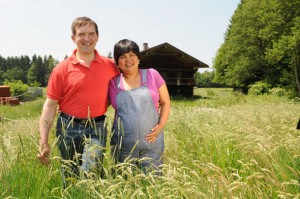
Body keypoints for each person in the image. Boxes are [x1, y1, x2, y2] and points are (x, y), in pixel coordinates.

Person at [37, 16, 119, 185]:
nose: (87, 39)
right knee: (69, 171)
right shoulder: (61, 69)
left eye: (91, 34)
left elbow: (124, 89)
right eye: (81, 34)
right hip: (68, 126)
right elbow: (50, 105)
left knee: (91, 169)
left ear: (97, 37)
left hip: (97, 126)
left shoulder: (110, 66)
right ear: (73, 38)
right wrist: (43, 141)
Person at [108, 39, 171, 175]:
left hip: (152, 143)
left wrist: (160, 126)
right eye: (122, 57)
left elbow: (166, 102)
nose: (128, 60)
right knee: (125, 184)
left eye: (132, 55)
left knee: (153, 183)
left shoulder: (152, 74)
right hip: (123, 145)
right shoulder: (113, 82)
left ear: (139, 58)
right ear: (117, 61)